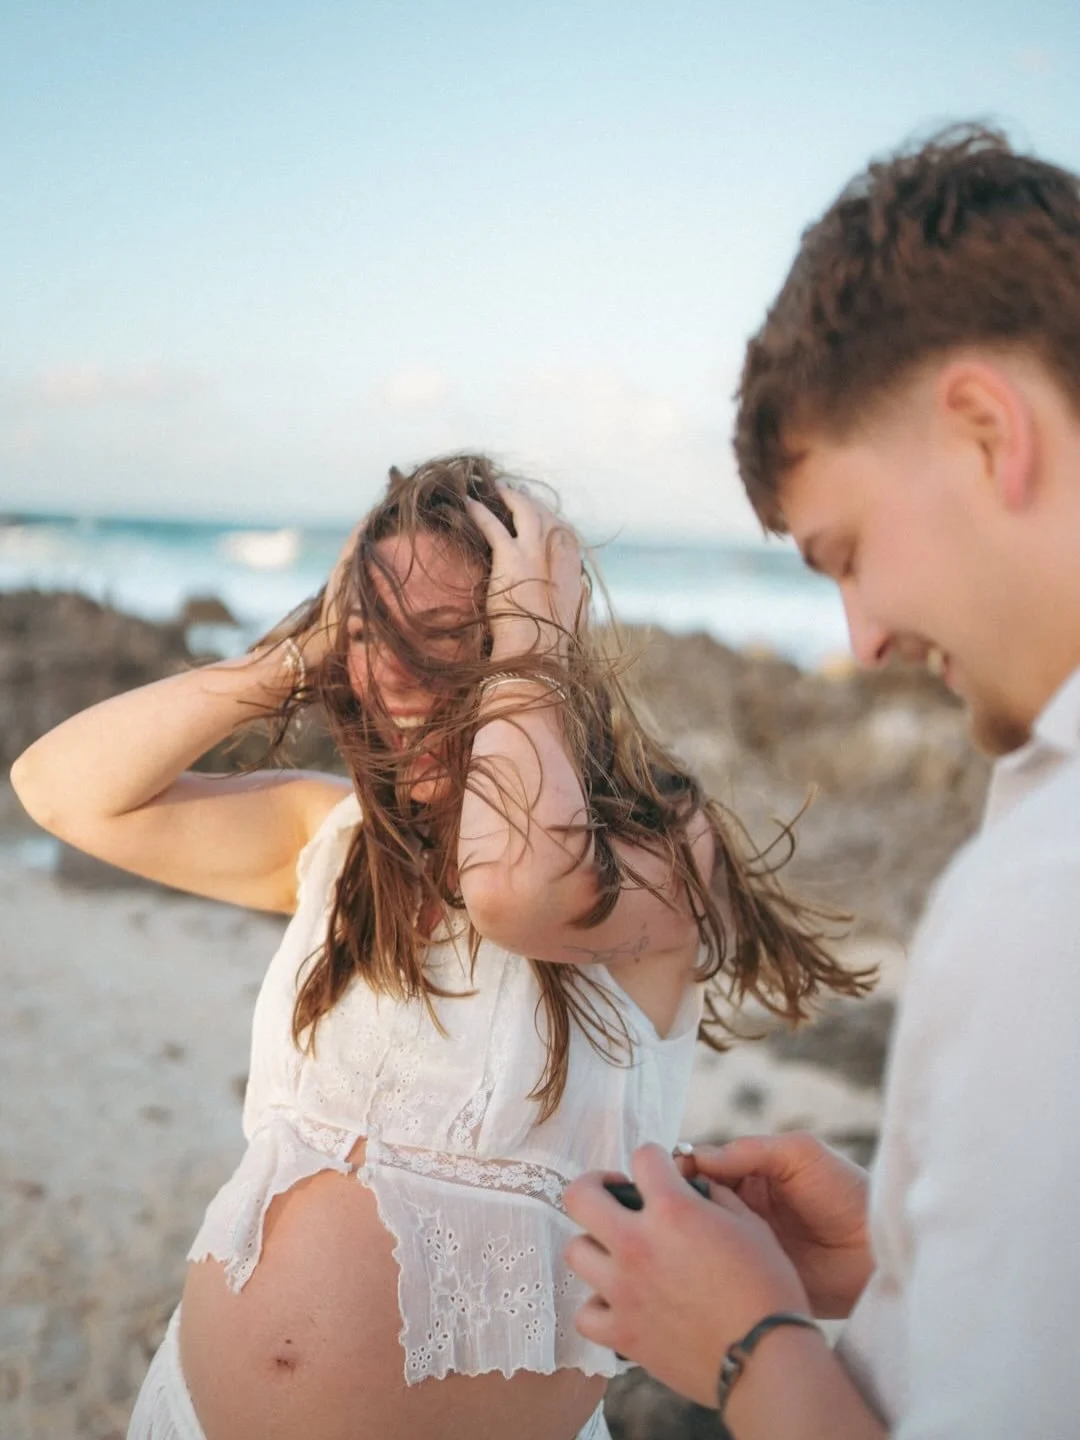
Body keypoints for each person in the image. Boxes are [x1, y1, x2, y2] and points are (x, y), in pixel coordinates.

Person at [12, 455, 864, 1440]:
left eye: (458, 634)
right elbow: (61, 791)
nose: (406, 677)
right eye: (380, 633)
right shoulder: (329, 839)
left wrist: (530, 645)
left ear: (535, 630)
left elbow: (513, 889)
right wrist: (303, 651)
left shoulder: (658, 857)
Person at [564, 125, 1080, 1438]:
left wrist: (741, 1350)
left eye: (845, 551)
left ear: (984, 430)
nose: (859, 642)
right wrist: (900, 1244)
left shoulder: (1046, 889)